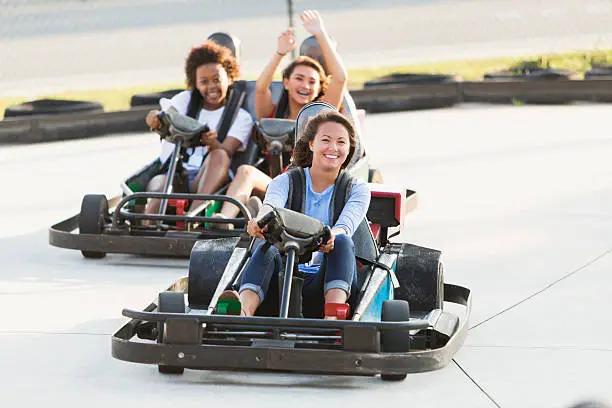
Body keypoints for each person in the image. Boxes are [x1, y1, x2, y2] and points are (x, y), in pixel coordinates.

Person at [220, 109, 370, 319]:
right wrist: (259, 222)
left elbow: (345, 225)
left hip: (327, 279)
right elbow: (270, 206)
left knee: (342, 241)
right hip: (282, 280)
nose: (333, 148)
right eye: (325, 140)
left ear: (349, 148)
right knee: (266, 246)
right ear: (311, 144)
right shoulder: (285, 181)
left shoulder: (357, 189)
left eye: (341, 142)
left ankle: (333, 318)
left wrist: (329, 239)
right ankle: (244, 312)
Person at [214, 10, 348, 228]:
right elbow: (260, 87)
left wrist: (320, 34)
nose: (305, 86)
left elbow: (340, 78)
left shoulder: (322, 115)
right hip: (275, 185)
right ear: (286, 82)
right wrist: (280, 53)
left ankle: (261, 211)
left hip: (306, 188)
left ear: (318, 88)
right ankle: (226, 220)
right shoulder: (274, 112)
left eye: (312, 82)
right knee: (245, 171)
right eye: (299, 79)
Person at [144, 41, 253, 219]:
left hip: (205, 178)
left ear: (230, 78)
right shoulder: (186, 100)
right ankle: (146, 226)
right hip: (174, 174)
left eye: (217, 80)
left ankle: (193, 215)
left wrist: (212, 143)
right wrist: (155, 117)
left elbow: (227, 151)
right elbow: (166, 114)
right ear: (195, 83)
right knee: (159, 186)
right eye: (204, 82)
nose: (211, 86)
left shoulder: (241, 117)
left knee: (220, 155)